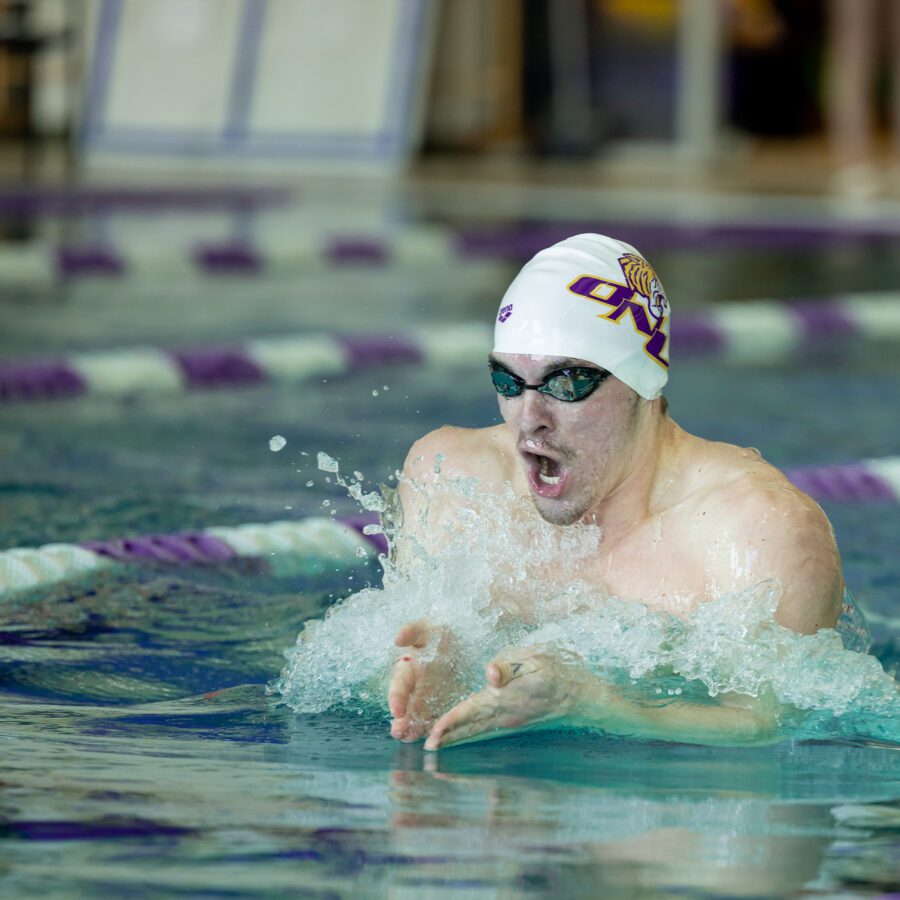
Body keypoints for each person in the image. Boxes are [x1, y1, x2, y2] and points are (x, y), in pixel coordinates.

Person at [386, 234, 844, 751]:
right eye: (509, 381)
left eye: (567, 382)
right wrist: (428, 670)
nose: (529, 421)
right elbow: (396, 653)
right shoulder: (452, 476)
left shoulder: (757, 529)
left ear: (641, 380)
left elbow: (776, 729)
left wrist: (593, 703)